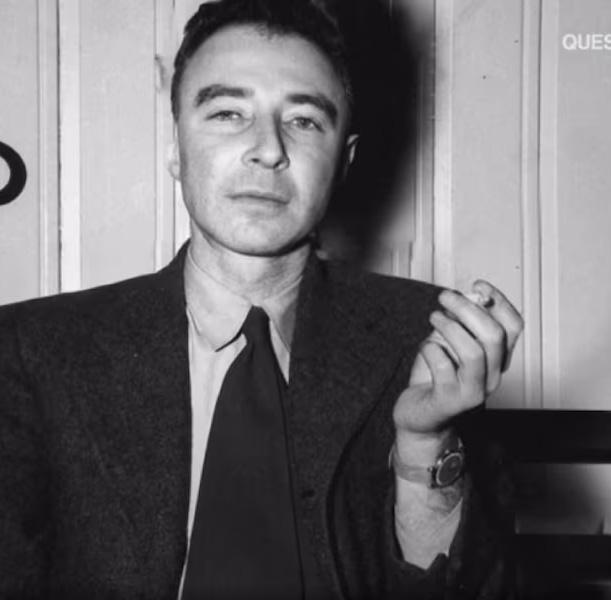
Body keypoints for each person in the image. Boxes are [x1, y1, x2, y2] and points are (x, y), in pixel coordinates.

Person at [0, 0, 523, 598]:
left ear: (344, 161)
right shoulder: (32, 352)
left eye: (304, 121)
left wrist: (426, 446)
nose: (268, 148)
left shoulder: (431, 341)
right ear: (175, 148)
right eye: (228, 113)